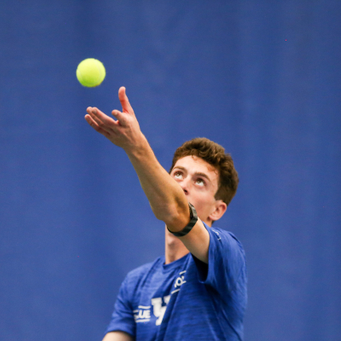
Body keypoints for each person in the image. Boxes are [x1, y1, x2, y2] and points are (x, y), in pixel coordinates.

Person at [84, 87, 247, 341]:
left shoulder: (226, 254)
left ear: (218, 209)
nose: (183, 185)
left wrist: (136, 146)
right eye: (178, 174)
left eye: (200, 181)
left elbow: (176, 211)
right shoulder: (135, 284)